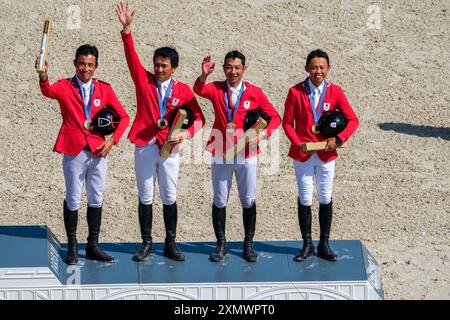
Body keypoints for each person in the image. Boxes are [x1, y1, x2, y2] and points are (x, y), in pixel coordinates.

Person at [116, 2, 205, 262]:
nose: (158, 69)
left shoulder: (183, 91)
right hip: (144, 143)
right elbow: (131, 56)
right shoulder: (143, 80)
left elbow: (199, 118)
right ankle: (146, 243)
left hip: (170, 147)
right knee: (145, 194)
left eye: (164, 66)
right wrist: (127, 29)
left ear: (173, 68)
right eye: (156, 64)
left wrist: (186, 135)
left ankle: (170, 243)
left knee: (169, 194)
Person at [36, 45, 130, 265]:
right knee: (73, 197)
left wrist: (112, 141)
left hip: (98, 150)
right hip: (74, 150)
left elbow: (124, 117)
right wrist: (43, 75)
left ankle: (93, 245)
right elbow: (47, 91)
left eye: (90, 65)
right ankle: (72, 245)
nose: (85, 68)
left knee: (96, 198)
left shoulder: (104, 89)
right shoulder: (64, 86)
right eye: (81, 63)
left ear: (95, 66)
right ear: (74, 63)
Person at [194, 52, 281, 262]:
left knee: (248, 198)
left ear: (244, 69)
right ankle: (221, 244)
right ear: (223, 68)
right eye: (229, 67)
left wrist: (262, 135)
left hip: (246, 152)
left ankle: (248, 244)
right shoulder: (216, 88)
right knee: (219, 198)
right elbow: (198, 90)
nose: (233, 71)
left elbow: (275, 118)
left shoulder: (254, 92)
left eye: (237, 67)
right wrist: (204, 74)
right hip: (221, 150)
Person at [282, 49, 359, 262]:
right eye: (314, 67)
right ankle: (307, 244)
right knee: (305, 197)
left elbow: (353, 120)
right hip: (303, 154)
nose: (318, 71)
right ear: (307, 68)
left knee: (325, 196)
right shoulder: (295, 92)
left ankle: (324, 243)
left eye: (322, 67)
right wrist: (298, 144)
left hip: (326, 152)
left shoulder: (335, 92)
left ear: (328, 69)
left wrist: (339, 139)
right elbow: (287, 123)